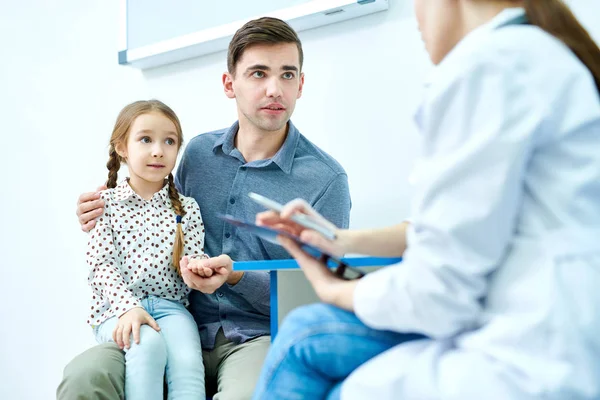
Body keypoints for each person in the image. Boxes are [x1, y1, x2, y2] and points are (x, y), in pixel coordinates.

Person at [252, 1, 600, 399]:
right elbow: (455, 226)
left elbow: (437, 295)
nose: (416, 15)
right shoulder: (542, 57)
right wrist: (338, 238)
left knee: (304, 339)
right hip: (561, 337)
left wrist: (335, 291)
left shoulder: (487, 67)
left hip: (524, 358)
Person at [58, 17, 351, 400]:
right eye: (258, 73)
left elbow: (323, 292)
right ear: (230, 84)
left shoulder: (326, 179)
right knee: (84, 377)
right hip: (169, 322)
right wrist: (103, 208)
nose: (274, 89)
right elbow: (158, 212)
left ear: (301, 84)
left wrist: (236, 279)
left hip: (256, 337)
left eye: (287, 74)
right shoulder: (196, 154)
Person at [87, 99, 208, 400]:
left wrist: (200, 267)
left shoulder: (187, 208)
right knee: (147, 345)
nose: (158, 150)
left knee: (188, 364)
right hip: (116, 310)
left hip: (172, 309)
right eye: (145, 139)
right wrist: (129, 308)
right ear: (121, 147)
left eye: (169, 141)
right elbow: (101, 266)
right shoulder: (105, 206)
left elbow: (193, 255)